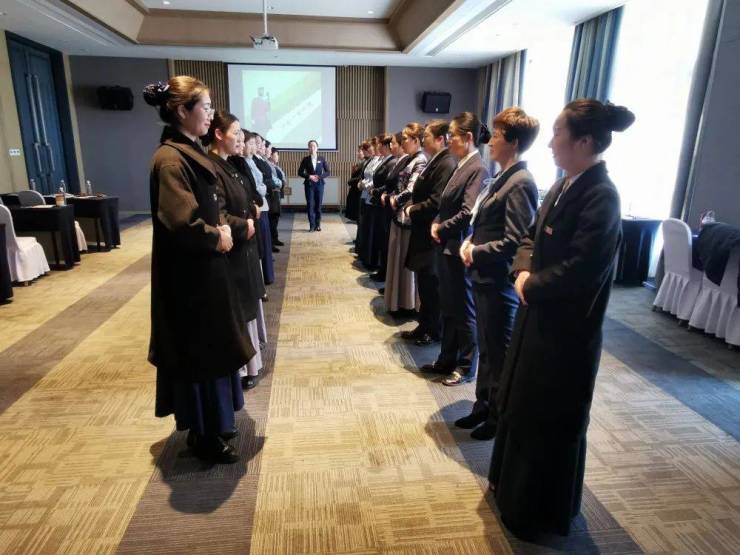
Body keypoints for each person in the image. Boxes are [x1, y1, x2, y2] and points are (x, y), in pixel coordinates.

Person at [490, 99, 634, 537]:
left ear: (584, 142)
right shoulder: (562, 185)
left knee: (548, 419)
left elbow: (582, 270)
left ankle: (537, 514)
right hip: (536, 319)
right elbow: (529, 237)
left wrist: (530, 285)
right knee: (521, 406)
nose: (551, 143)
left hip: (565, 334)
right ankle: (509, 493)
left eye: (558, 133)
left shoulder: (602, 195)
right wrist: (523, 271)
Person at [143, 76, 254, 464]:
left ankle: (214, 425)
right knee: (202, 356)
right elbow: (182, 224)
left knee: (213, 351)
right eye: (204, 107)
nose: (210, 114)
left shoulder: (186, 151)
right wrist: (217, 235)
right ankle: (205, 434)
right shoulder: (171, 159)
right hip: (191, 279)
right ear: (181, 111)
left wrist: (221, 227)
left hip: (203, 274)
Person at [456, 107, 539, 440]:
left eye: (498, 136)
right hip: (483, 278)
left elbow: (514, 241)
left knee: (499, 355)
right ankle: (482, 406)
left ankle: (497, 419)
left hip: (498, 282)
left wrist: (475, 251)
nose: (490, 141)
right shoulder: (502, 177)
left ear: (514, 142)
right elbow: (484, 224)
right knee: (487, 349)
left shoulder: (521, 182)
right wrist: (470, 242)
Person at [426, 112, 489, 386]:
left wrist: (440, 227)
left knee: (464, 311)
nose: (449, 139)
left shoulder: (478, 168)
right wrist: (437, 221)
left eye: (452, 135)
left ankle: (466, 367)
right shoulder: (460, 164)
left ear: (468, 137)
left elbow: (466, 213)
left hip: (457, 248)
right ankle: (446, 359)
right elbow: (445, 203)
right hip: (446, 247)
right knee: (449, 308)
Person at [204, 114, 266, 392]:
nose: (241, 138)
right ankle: (242, 368)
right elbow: (219, 216)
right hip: (235, 249)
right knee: (239, 312)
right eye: (236, 133)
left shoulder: (229, 165)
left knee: (247, 309)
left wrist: (251, 210)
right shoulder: (212, 167)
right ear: (219, 134)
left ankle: (250, 363)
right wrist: (246, 224)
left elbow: (245, 196)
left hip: (245, 248)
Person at [402, 119, 457, 345]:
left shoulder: (446, 163)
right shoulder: (435, 160)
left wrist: (412, 209)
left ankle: (433, 330)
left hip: (431, 236)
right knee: (424, 285)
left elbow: (435, 202)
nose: (423, 140)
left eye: (426, 137)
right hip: (422, 233)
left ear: (440, 139)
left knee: (431, 286)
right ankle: (424, 325)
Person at [385, 122, 427, 316]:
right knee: (398, 258)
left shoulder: (420, 160)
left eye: (406, 139)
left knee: (405, 259)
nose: (402, 142)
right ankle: (399, 301)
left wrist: (395, 199)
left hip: (407, 215)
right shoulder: (411, 159)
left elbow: (411, 189)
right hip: (399, 214)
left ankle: (408, 303)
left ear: (416, 140)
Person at [244, 131, 275, 284]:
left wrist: (263, 187)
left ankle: (267, 277)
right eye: (252, 143)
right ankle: (264, 279)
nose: (256, 146)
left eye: (256, 143)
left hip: (262, 204)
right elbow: (257, 186)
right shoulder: (245, 161)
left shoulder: (252, 160)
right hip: (257, 206)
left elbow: (261, 182)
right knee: (261, 244)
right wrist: (263, 188)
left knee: (265, 243)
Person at [297, 139, 330, 231]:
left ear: (317, 148)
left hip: (320, 185)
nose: (312, 148)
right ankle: (312, 225)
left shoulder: (322, 159)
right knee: (310, 205)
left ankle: (318, 225)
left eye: (314, 146)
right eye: (310, 146)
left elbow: (328, 172)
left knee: (318, 205)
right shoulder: (305, 159)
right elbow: (300, 172)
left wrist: (319, 177)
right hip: (309, 185)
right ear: (308, 148)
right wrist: (309, 176)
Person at [269, 146, 286, 247]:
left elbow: (283, 178)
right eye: (276, 155)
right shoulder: (268, 165)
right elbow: (274, 180)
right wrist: (281, 183)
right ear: (271, 155)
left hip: (278, 193)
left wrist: (282, 182)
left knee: (276, 217)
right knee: (273, 217)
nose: (278, 156)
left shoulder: (276, 166)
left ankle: (275, 239)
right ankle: (272, 242)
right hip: (273, 194)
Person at [344, 145, 365, 222]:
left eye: (359, 151)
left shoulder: (364, 163)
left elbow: (360, 177)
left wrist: (350, 181)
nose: (357, 153)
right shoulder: (358, 163)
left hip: (358, 189)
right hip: (354, 188)